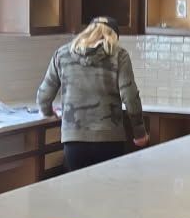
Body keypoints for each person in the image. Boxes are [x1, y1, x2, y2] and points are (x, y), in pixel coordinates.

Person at [36, 16, 149, 173]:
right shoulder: (119, 55)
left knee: (78, 188)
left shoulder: (62, 54)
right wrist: (139, 133)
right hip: (109, 140)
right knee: (108, 187)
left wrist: (47, 112)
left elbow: (43, 96)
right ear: (113, 36)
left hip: (74, 141)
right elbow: (130, 96)